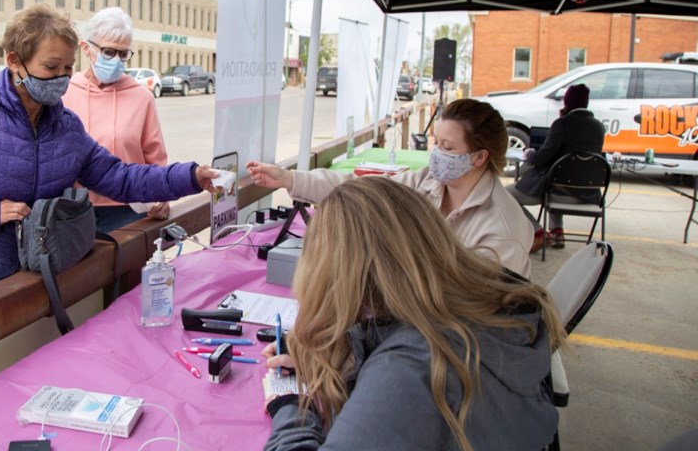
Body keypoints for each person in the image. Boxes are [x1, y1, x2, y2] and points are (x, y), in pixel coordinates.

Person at [0, 4, 216, 311]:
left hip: (28, 283)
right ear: (15, 61)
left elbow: (120, 177)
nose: (62, 78)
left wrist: (189, 177)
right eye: (51, 67)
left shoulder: (65, 127)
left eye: (68, 67)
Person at [261, 177, 564, 451]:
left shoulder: (408, 368)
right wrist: (339, 354)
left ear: (339, 274)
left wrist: (291, 407)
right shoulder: (494, 305)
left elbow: (405, 380)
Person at [247, 99, 534, 278]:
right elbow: (363, 189)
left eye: (447, 148)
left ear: (479, 157)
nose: (435, 153)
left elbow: (477, 308)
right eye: (436, 143)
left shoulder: (502, 230)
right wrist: (290, 179)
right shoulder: (428, 182)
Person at [63, 7, 170, 232]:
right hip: (73, 209)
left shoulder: (142, 98)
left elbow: (155, 157)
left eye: (123, 54)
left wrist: (161, 196)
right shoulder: (63, 93)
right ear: (86, 48)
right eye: (109, 52)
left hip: (129, 209)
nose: (117, 61)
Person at [507, 83, 606, 250]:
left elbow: (540, 158)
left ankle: (537, 232)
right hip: (588, 194)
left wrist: (528, 152)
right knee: (561, 174)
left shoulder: (562, 124)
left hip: (558, 192)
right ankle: (556, 231)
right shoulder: (598, 127)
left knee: (505, 194)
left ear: (566, 102)